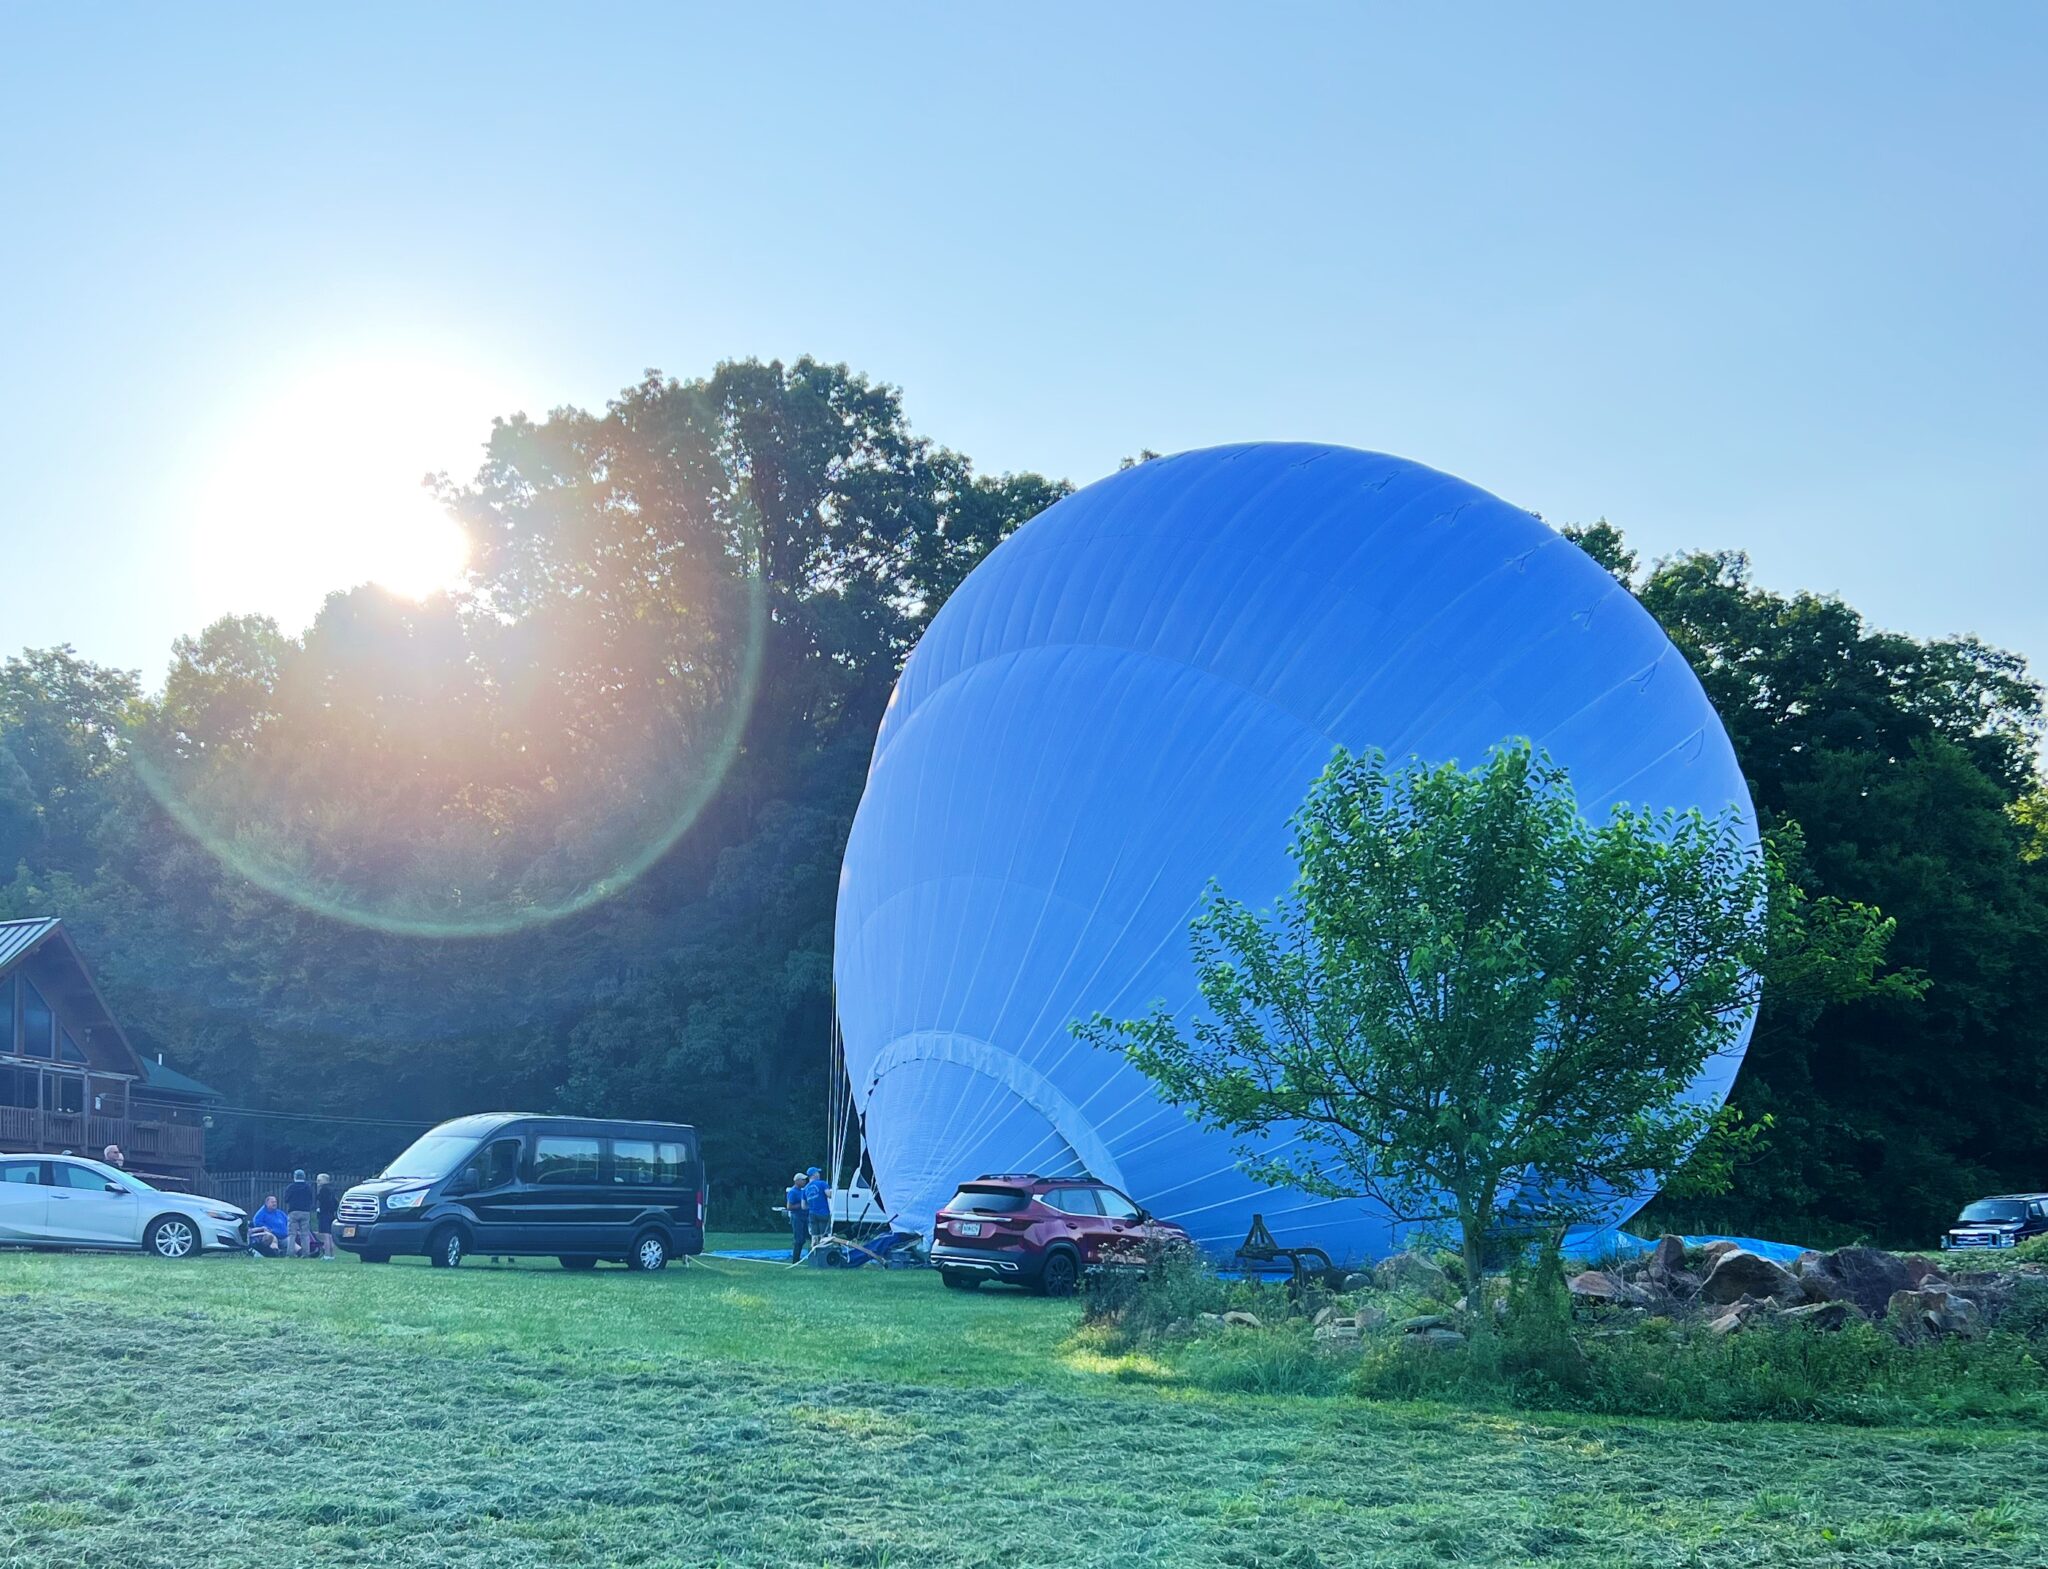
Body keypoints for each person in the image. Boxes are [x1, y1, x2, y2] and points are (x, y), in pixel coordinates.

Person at [282, 1168, 315, 1258]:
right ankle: (306, 1253)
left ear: (295, 1177)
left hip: (293, 1211)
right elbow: (311, 1199)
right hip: (305, 1212)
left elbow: (286, 1199)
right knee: (305, 1233)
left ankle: (290, 1253)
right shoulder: (308, 1187)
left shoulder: (291, 1187)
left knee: (292, 1234)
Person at [785, 1170, 809, 1261]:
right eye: (802, 1180)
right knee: (798, 1239)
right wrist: (802, 1205)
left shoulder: (802, 1191)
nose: (804, 1181)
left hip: (804, 1217)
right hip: (797, 1217)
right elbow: (789, 1206)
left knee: (805, 1238)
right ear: (797, 1181)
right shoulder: (793, 1192)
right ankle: (795, 1260)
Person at [804, 1165, 832, 1244]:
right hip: (823, 1212)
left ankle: (814, 1250)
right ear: (814, 1174)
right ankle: (823, 1250)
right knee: (824, 1235)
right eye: (817, 1172)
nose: (819, 1174)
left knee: (814, 1235)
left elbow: (803, 1206)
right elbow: (829, 1195)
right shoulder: (822, 1183)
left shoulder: (805, 1188)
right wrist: (832, 1192)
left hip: (812, 1214)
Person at [314, 1173, 340, 1260]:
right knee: (330, 1235)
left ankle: (327, 1254)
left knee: (326, 1235)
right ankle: (332, 1255)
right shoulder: (332, 1190)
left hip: (324, 1214)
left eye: (319, 1180)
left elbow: (323, 1202)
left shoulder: (323, 1190)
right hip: (331, 1214)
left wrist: (320, 1209)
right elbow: (336, 1203)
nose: (317, 1182)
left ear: (325, 1180)